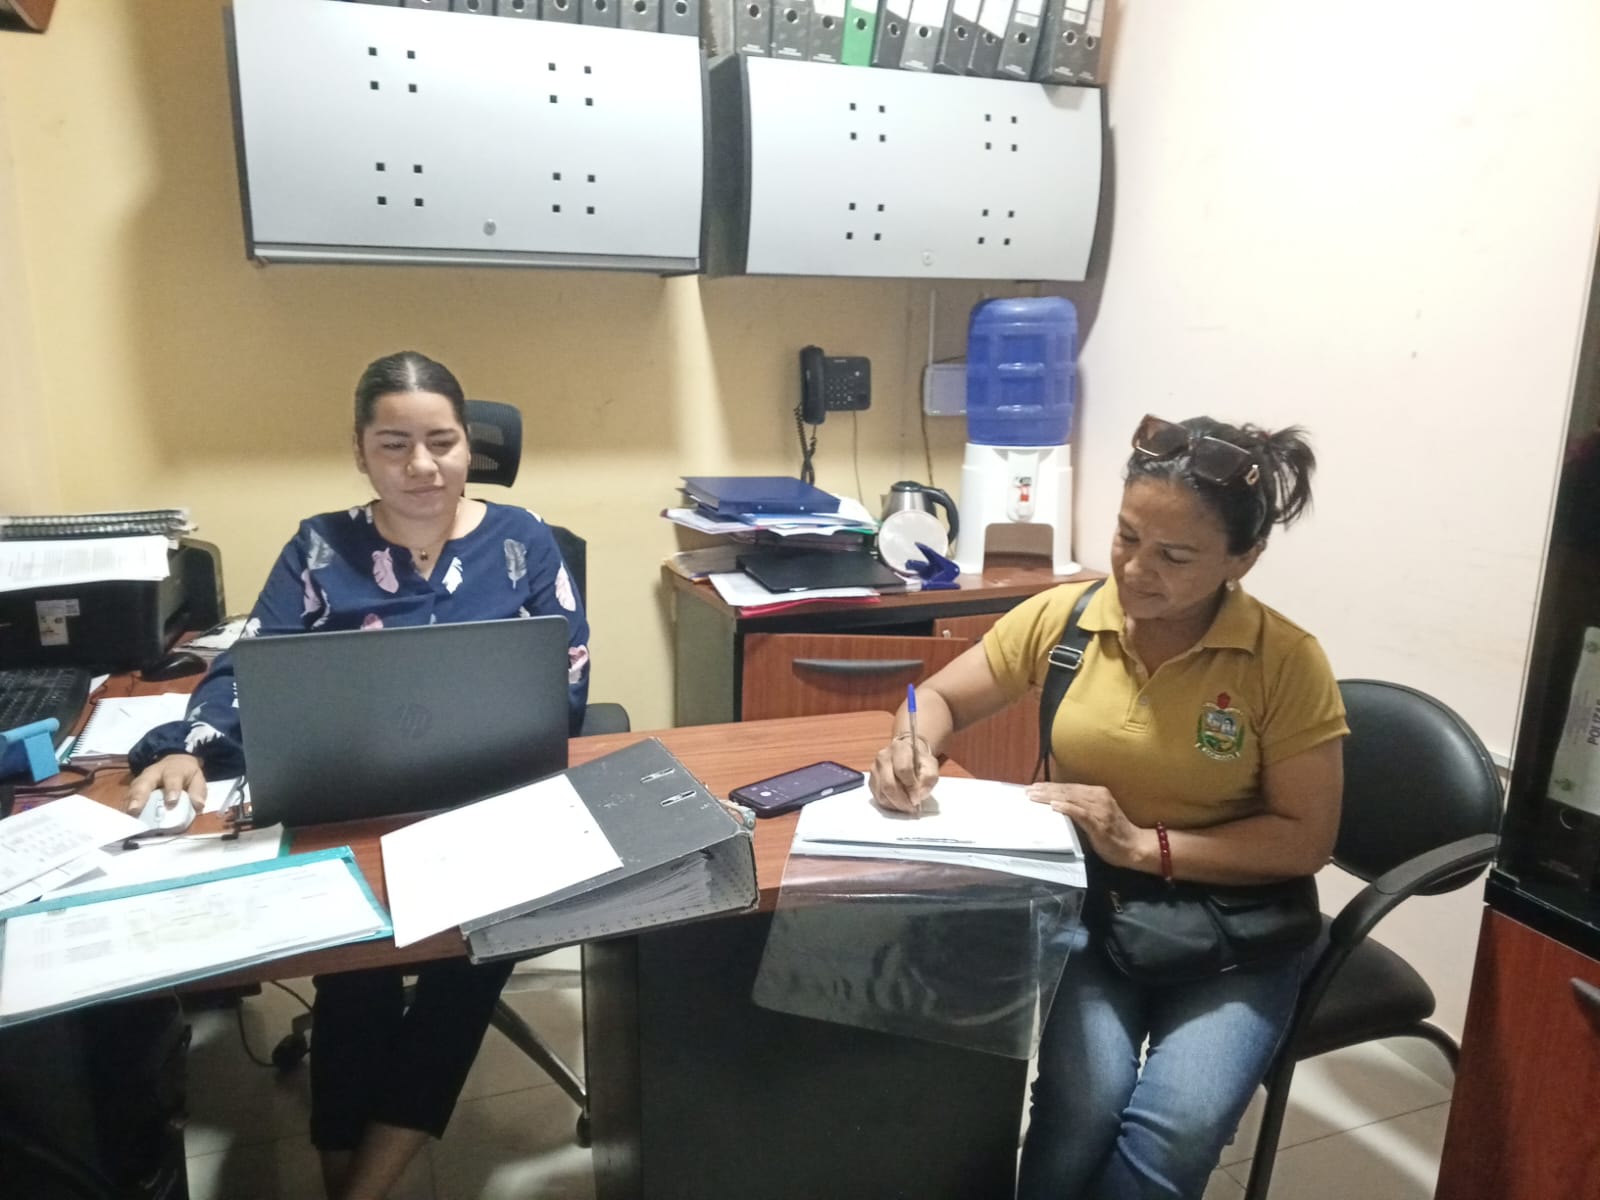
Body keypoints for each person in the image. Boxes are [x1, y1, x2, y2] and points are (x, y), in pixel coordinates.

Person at [124, 350, 591, 1200]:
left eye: (442, 442)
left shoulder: (524, 541)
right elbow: (250, 668)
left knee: (469, 963)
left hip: (488, 800)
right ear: (361, 452)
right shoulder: (320, 546)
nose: (422, 466)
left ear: (469, 446)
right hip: (351, 799)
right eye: (394, 445)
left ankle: (358, 1189)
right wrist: (187, 744)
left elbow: (566, 680)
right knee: (356, 969)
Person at [868, 414, 1347, 1200]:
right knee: (1082, 1102)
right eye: (1126, 536)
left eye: (1174, 556)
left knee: (1178, 1126)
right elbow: (935, 696)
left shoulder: (1285, 661)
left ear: (1243, 559)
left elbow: (1306, 840)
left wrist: (1146, 845)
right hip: (1095, 902)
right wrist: (911, 741)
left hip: (1239, 920)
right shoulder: (1066, 618)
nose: (1134, 568)